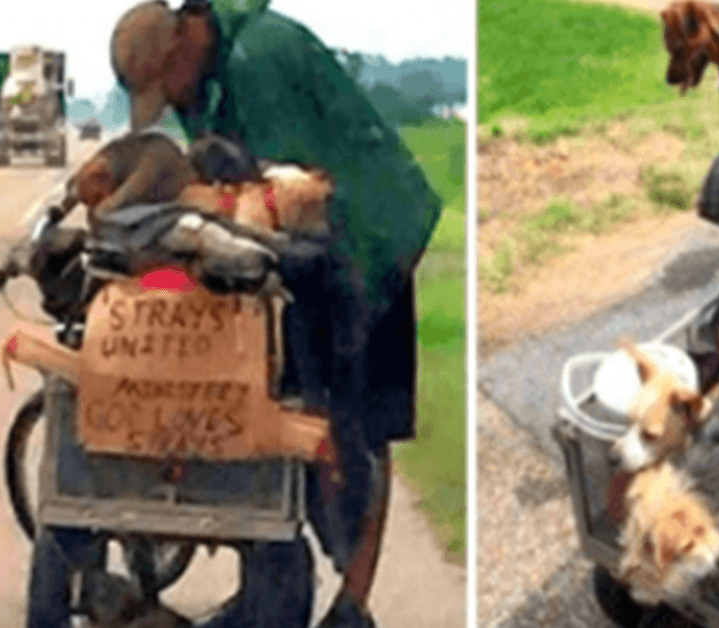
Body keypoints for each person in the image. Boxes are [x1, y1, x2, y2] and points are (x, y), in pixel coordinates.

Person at [24, 1, 442, 627]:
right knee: (282, 373)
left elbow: (284, 196)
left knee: (352, 420)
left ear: (181, 49)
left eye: (167, 87)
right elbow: (221, 176)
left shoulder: (260, 59)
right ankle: (270, 582)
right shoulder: (208, 74)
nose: (174, 103)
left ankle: (354, 606)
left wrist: (202, 218)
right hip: (310, 240)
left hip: (371, 239)